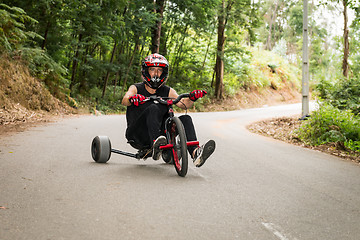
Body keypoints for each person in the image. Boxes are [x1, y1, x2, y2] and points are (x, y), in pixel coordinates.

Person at [121, 53, 215, 167]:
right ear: (146, 71)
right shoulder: (136, 88)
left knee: (186, 118)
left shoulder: (168, 91)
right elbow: (125, 100)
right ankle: (156, 143)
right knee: (153, 108)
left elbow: (184, 104)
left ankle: (195, 153)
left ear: (163, 73)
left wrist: (192, 98)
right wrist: (133, 99)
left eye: (159, 70)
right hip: (138, 134)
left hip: (162, 136)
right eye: (152, 69)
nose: (156, 73)